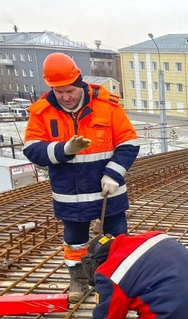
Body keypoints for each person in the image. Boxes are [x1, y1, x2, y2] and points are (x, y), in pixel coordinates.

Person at [23, 52, 139, 303]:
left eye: (69, 91)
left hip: (108, 193)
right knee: (75, 242)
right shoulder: (42, 112)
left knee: (117, 239)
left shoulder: (107, 106)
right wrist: (64, 150)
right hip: (70, 195)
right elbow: (32, 149)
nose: (65, 97)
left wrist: (113, 173)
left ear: (79, 82)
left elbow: (128, 143)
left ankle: (115, 282)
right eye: (58, 91)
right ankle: (79, 280)